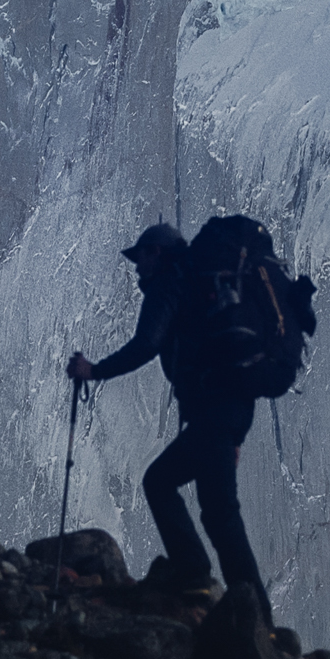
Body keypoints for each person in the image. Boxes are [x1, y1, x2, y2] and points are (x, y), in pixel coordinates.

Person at [66, 219, 267, 613]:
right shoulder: (206, 286)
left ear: (156, 252)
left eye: (139, 257)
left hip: (213, 416)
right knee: (218, 512)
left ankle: (204, 581)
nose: (137, 267)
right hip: (231, 412)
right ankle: (249, 610)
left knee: (165, 485)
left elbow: (147, 344)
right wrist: (236, 436)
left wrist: (94, 370)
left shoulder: (169, 284)